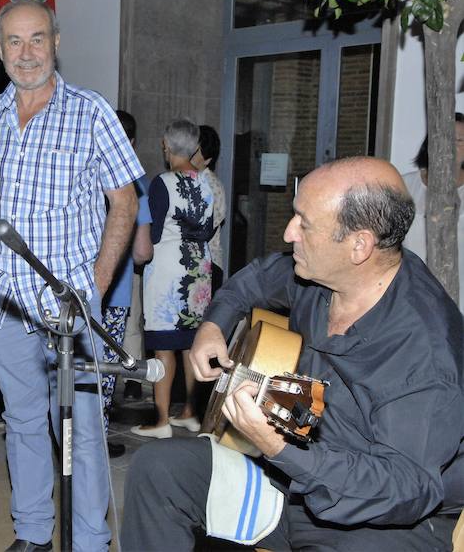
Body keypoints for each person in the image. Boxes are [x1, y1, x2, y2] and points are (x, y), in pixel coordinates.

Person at [121, 156, 464, 551]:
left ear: (359, 245)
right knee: (157, 468)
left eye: (305, 223)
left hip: (381, 521)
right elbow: (253, 280)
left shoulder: (425, 351)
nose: (288, 234)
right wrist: (213, 326)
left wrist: (278, 449)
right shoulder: (318, 275)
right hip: (290, 479)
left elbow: (406, 487)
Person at [0, 0, 143, 552]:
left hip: (70, 309)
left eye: (37, 39)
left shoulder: (92, 112)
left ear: (56, 40)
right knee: (22, 423)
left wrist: (95, 289)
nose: (27, 52)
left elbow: (125, 205)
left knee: (82, 433)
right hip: (1, 303)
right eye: (14, 41)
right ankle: (33, 534)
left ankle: (87, 542)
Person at [131, 119, 215, 439]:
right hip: (199, 268)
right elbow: (207, 230)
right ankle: (191, 413)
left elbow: (153, 232)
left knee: (164, 346)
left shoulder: (162, 183)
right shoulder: (207, 183)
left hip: (167, 267)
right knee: (191, 344)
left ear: (166, 146)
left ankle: (162, 419)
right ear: (195, 148)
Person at [100, 110, 153, 459]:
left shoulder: (82, 171)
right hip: (114, 292)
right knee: (102, 369)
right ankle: (95, 439)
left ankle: (62, 434)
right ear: (130, 142)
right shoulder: (134, 184)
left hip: (71, 288)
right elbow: (141, 251)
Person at [402, 112, 464, 315]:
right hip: (410, 292)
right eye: (446, 138)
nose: (452, 146)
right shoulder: (404, 185)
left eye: (460, 140)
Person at [196, 124, 226, 290]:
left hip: (208, 265)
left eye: (195, 151)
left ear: (207, 158)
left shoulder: (211, 185)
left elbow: (204, 230)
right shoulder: (192, 180)